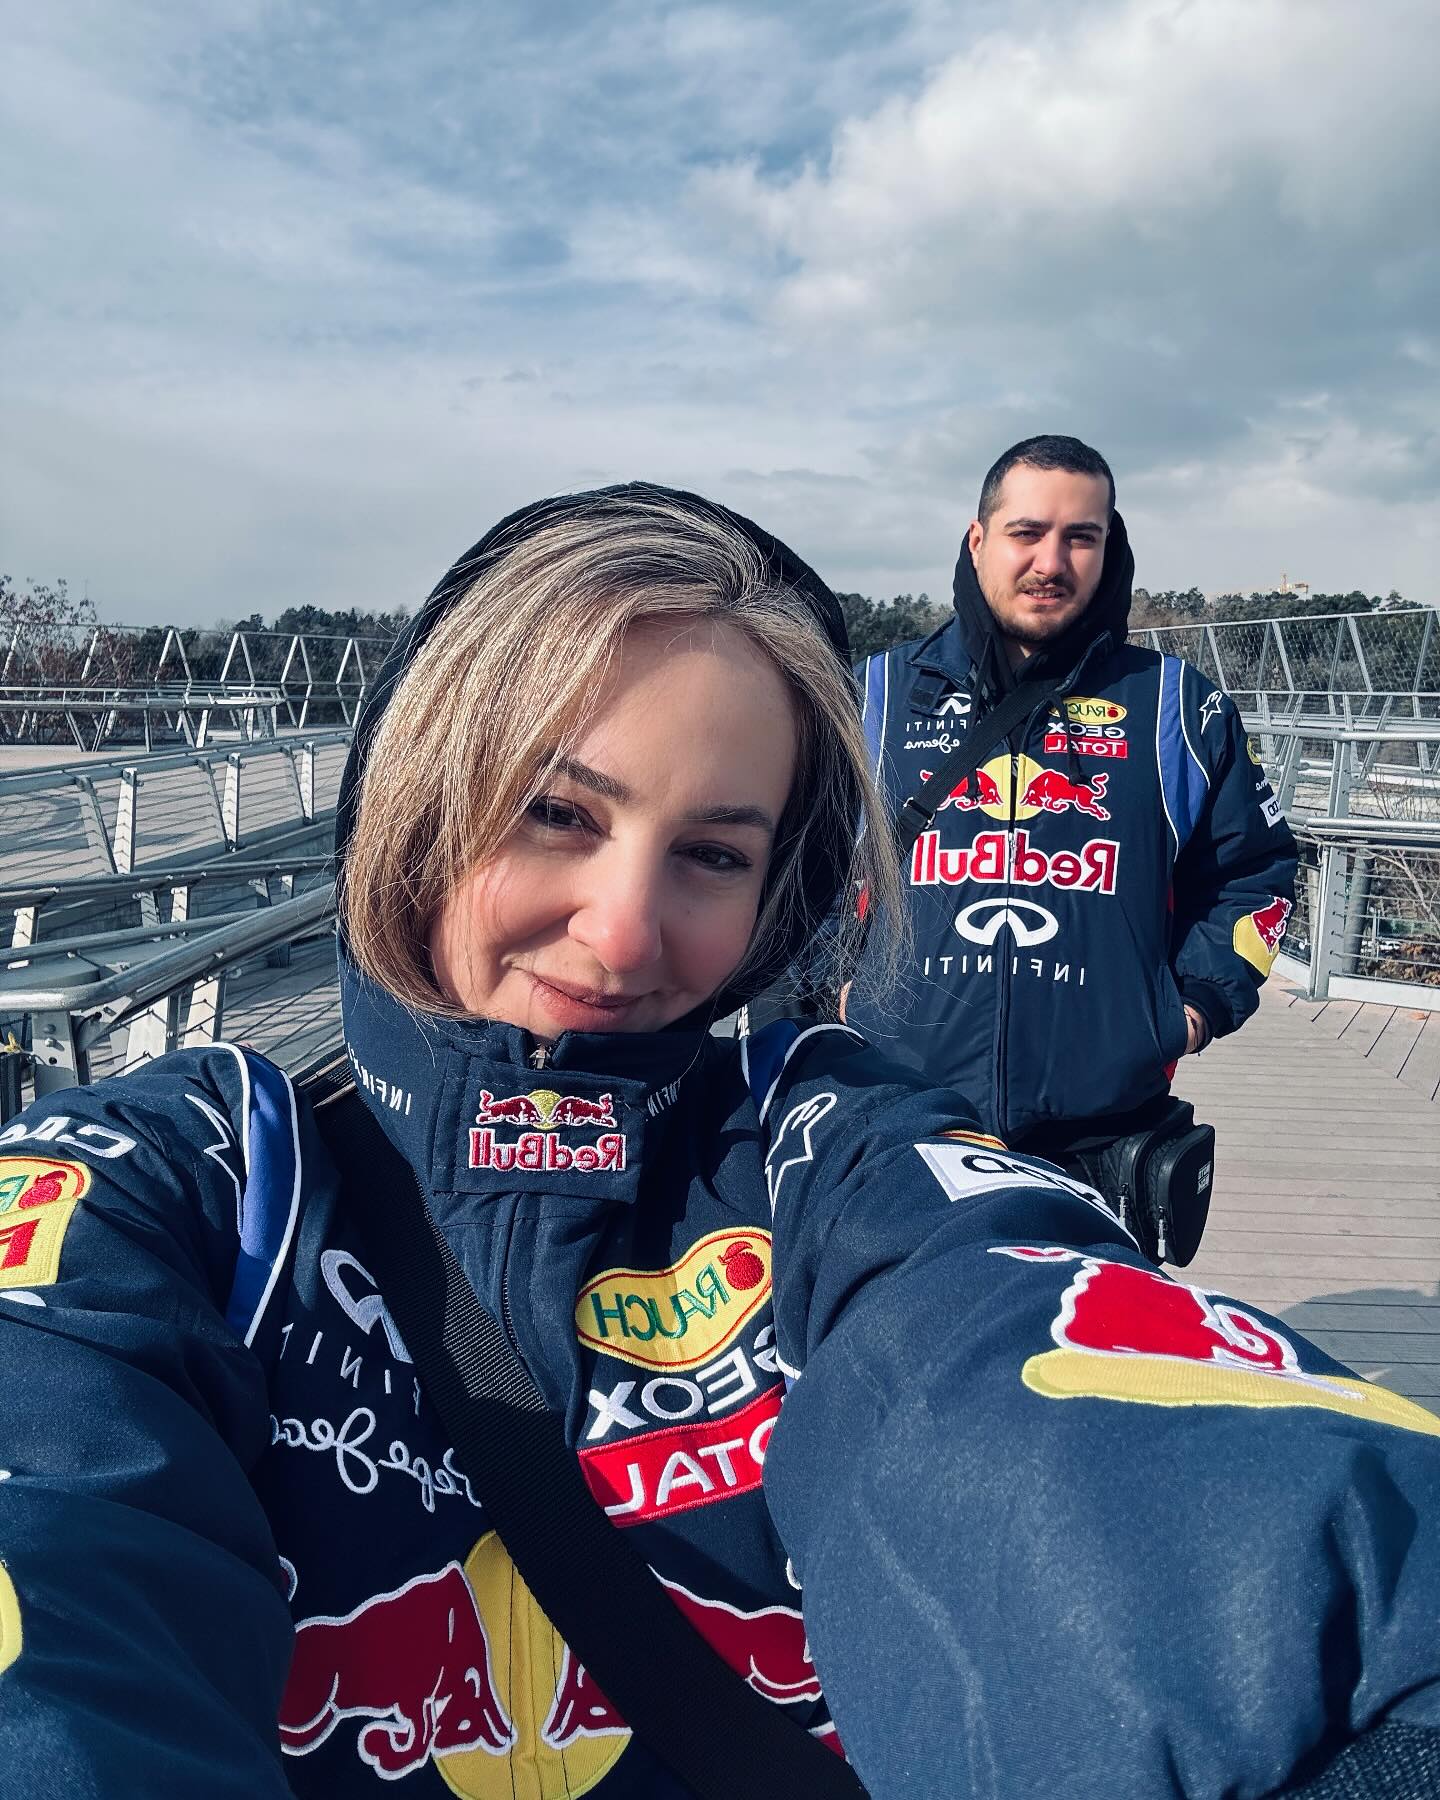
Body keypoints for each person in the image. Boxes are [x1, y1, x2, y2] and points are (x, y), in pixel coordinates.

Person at [0, 482, 1437, 1800]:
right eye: (555, 812)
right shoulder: (189, 1184)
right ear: (416, 792)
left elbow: (1055, 1392)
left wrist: (1187, 1007)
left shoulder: (823, 1156)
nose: (625, 931)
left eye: (715, 854)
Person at [839, 434, 1299, 1184]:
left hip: (1101, 1137)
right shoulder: (874, 695)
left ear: (1108, 547)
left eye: (1080, 537)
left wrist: (1192, 1008)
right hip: (894, 1120)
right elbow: (799, 861)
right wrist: (835, 991)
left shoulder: (1179, 707)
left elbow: (1256, 871)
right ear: (978, 541)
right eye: (1026, 532)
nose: (1050, 562)